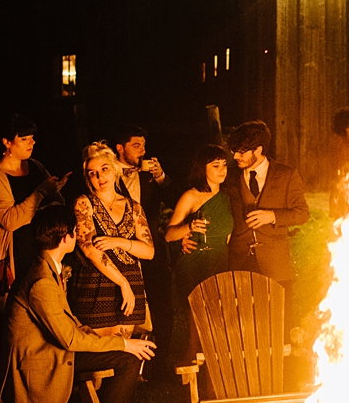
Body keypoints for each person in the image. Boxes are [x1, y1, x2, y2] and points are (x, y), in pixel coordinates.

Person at [0, 206, 154, 403]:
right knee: (127, 360)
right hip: (42, 367)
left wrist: (114, 342)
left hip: (56, 352)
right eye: (75, 231)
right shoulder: (41, 282)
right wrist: (125, 344)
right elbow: (70, 340)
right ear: (66, 238)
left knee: (125, 358)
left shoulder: (46, 267)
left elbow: (70, 323)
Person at [0, 113, 69, 313]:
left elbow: (52, 205)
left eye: (32, 138)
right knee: (13, 315)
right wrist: (43, 191)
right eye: (24, 139)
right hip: (11, 259)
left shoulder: (36, 167)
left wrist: (56, 191)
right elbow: (10, 220)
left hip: (38, 251)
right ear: (7, 142)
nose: (32, 142)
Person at [223, 121, 310, 315]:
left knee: (278, 318)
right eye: (234, 151)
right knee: (242, 317)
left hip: (275, 261)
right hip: (239, 258)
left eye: (241, 152)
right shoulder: (229, 176)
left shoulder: (286, 175)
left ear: (259, 149)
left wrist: (272, 216)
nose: (235, 156)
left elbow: (302, 213)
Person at [71, 142, 153, 338]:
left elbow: (149, 251)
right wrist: (123, 283)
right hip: (97, 285)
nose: (100, 177)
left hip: (131, 286)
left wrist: (118, 241)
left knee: (126, 357)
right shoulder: (84, 203)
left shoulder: (133, 207)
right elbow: (91, 250)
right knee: (100, 358)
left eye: (104, 169)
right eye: (93, 173)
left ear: (114, 169)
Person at [112, 125, 174, 375]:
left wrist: (161, 177)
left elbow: (175, 199)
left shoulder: (150, 174)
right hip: (120, 251)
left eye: (144, 146)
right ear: (120, 148)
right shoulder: (106, 172)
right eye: (136, 146)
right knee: (124, 307)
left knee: (163, 307)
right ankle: (122, 365)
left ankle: (160, 366)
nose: (142, 151)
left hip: (152, 249)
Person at [166, 144, 235, 362]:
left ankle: (214, 371)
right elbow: (168, 235)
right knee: (196, 324)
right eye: (215, 166)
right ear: (202, 168)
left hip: (219, 261)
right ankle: (189, 373)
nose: (222, 170)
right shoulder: (191, 196)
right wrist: (188, 228)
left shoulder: (227, 195)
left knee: (217, 321)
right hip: (195, 263)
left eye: (224, 165)